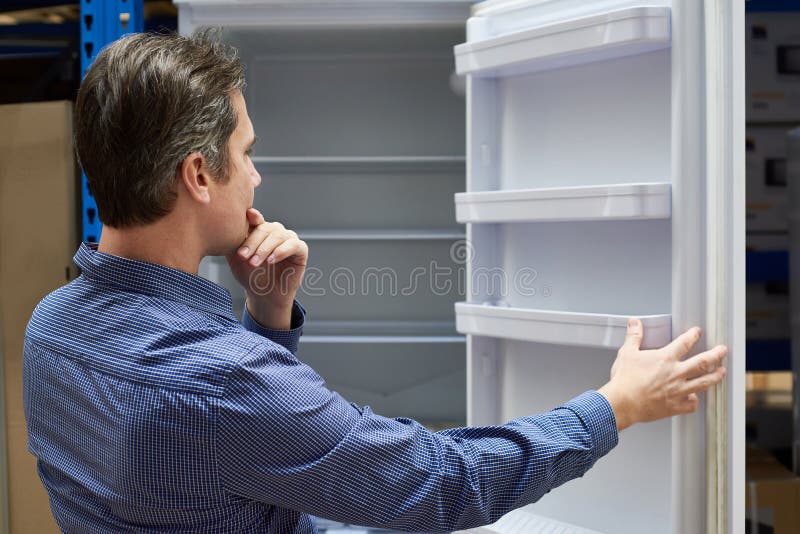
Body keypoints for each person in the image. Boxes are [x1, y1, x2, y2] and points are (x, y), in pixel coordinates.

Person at [23, 31, 728, 533]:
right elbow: (441, 484)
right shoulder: (224, 381)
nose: (258, 176)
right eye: (246, 154)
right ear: (199, 176)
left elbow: (215, 469)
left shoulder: (49, 328)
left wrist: (268, 315)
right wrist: (618, 406)